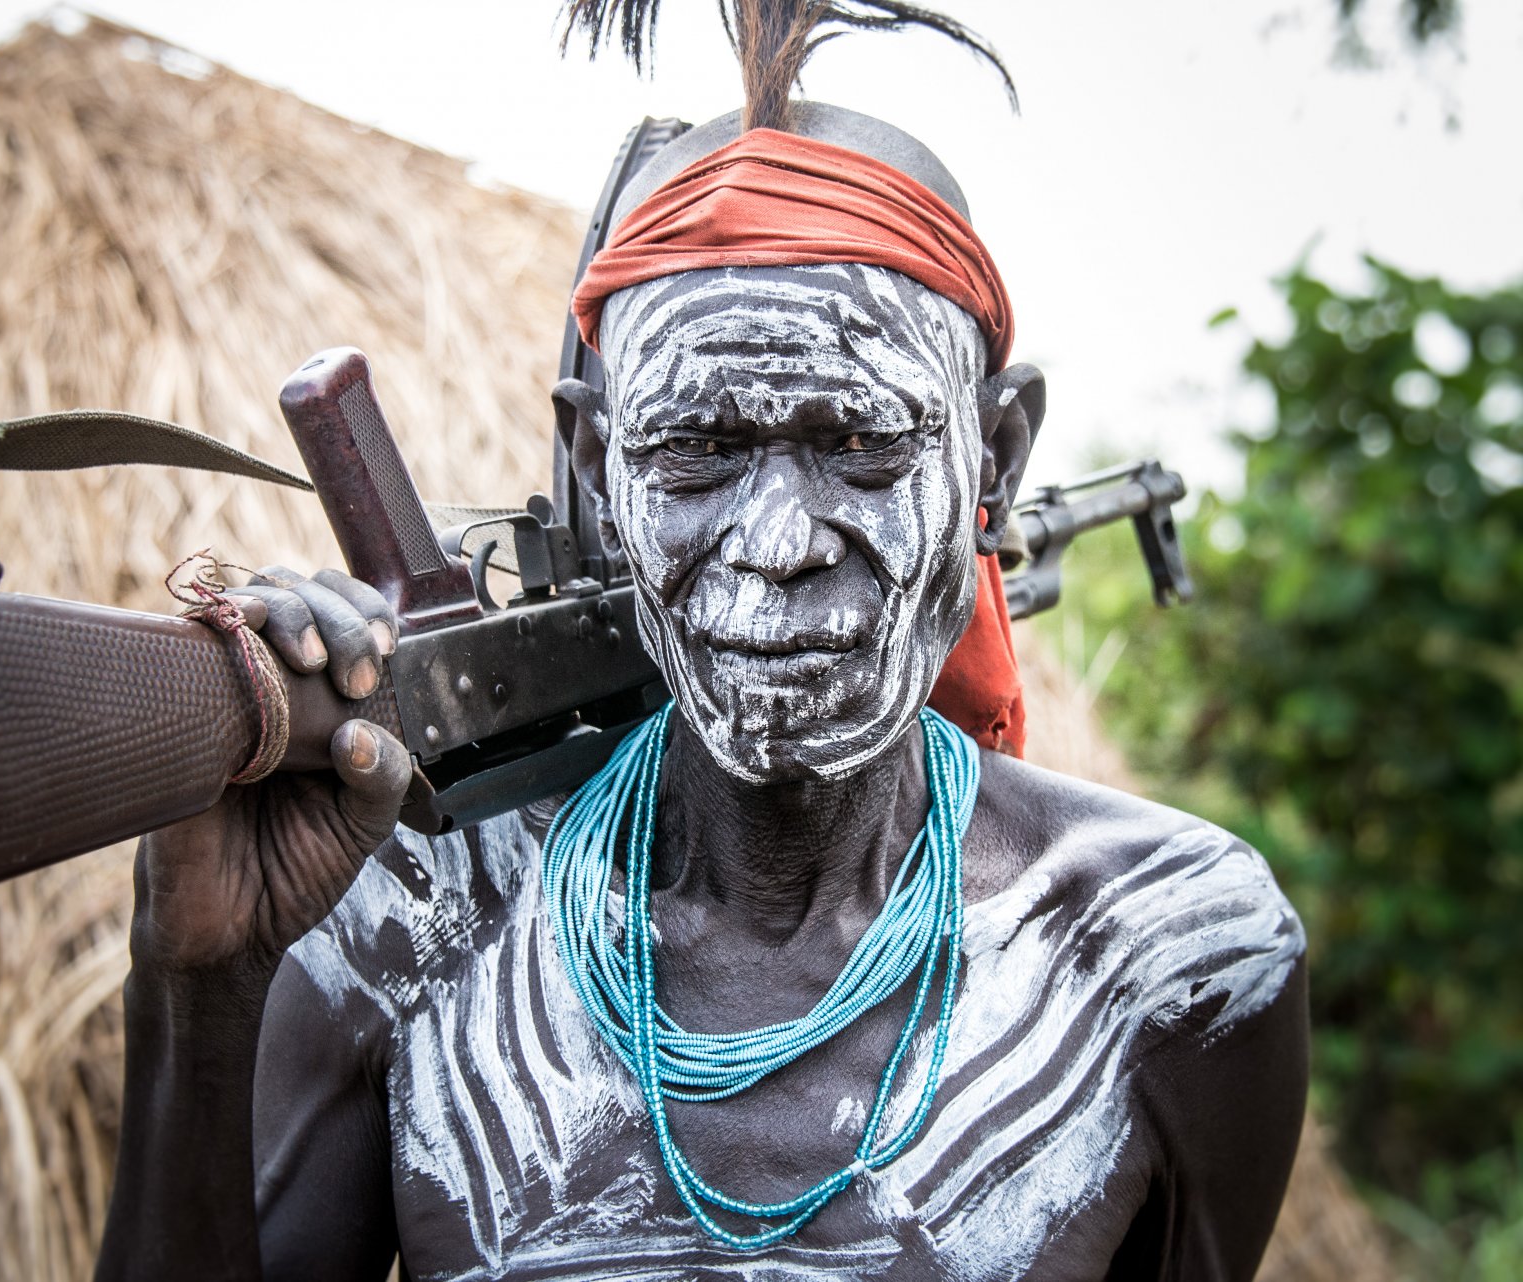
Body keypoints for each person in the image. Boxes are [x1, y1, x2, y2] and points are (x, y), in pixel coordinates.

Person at [96, 7, 1307, 1279]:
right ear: (598, 467)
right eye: (699, 453)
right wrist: (198, 986)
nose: (778, 541)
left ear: (994, 456)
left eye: (860, 444)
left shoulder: (1170, 962)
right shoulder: (406, 927)